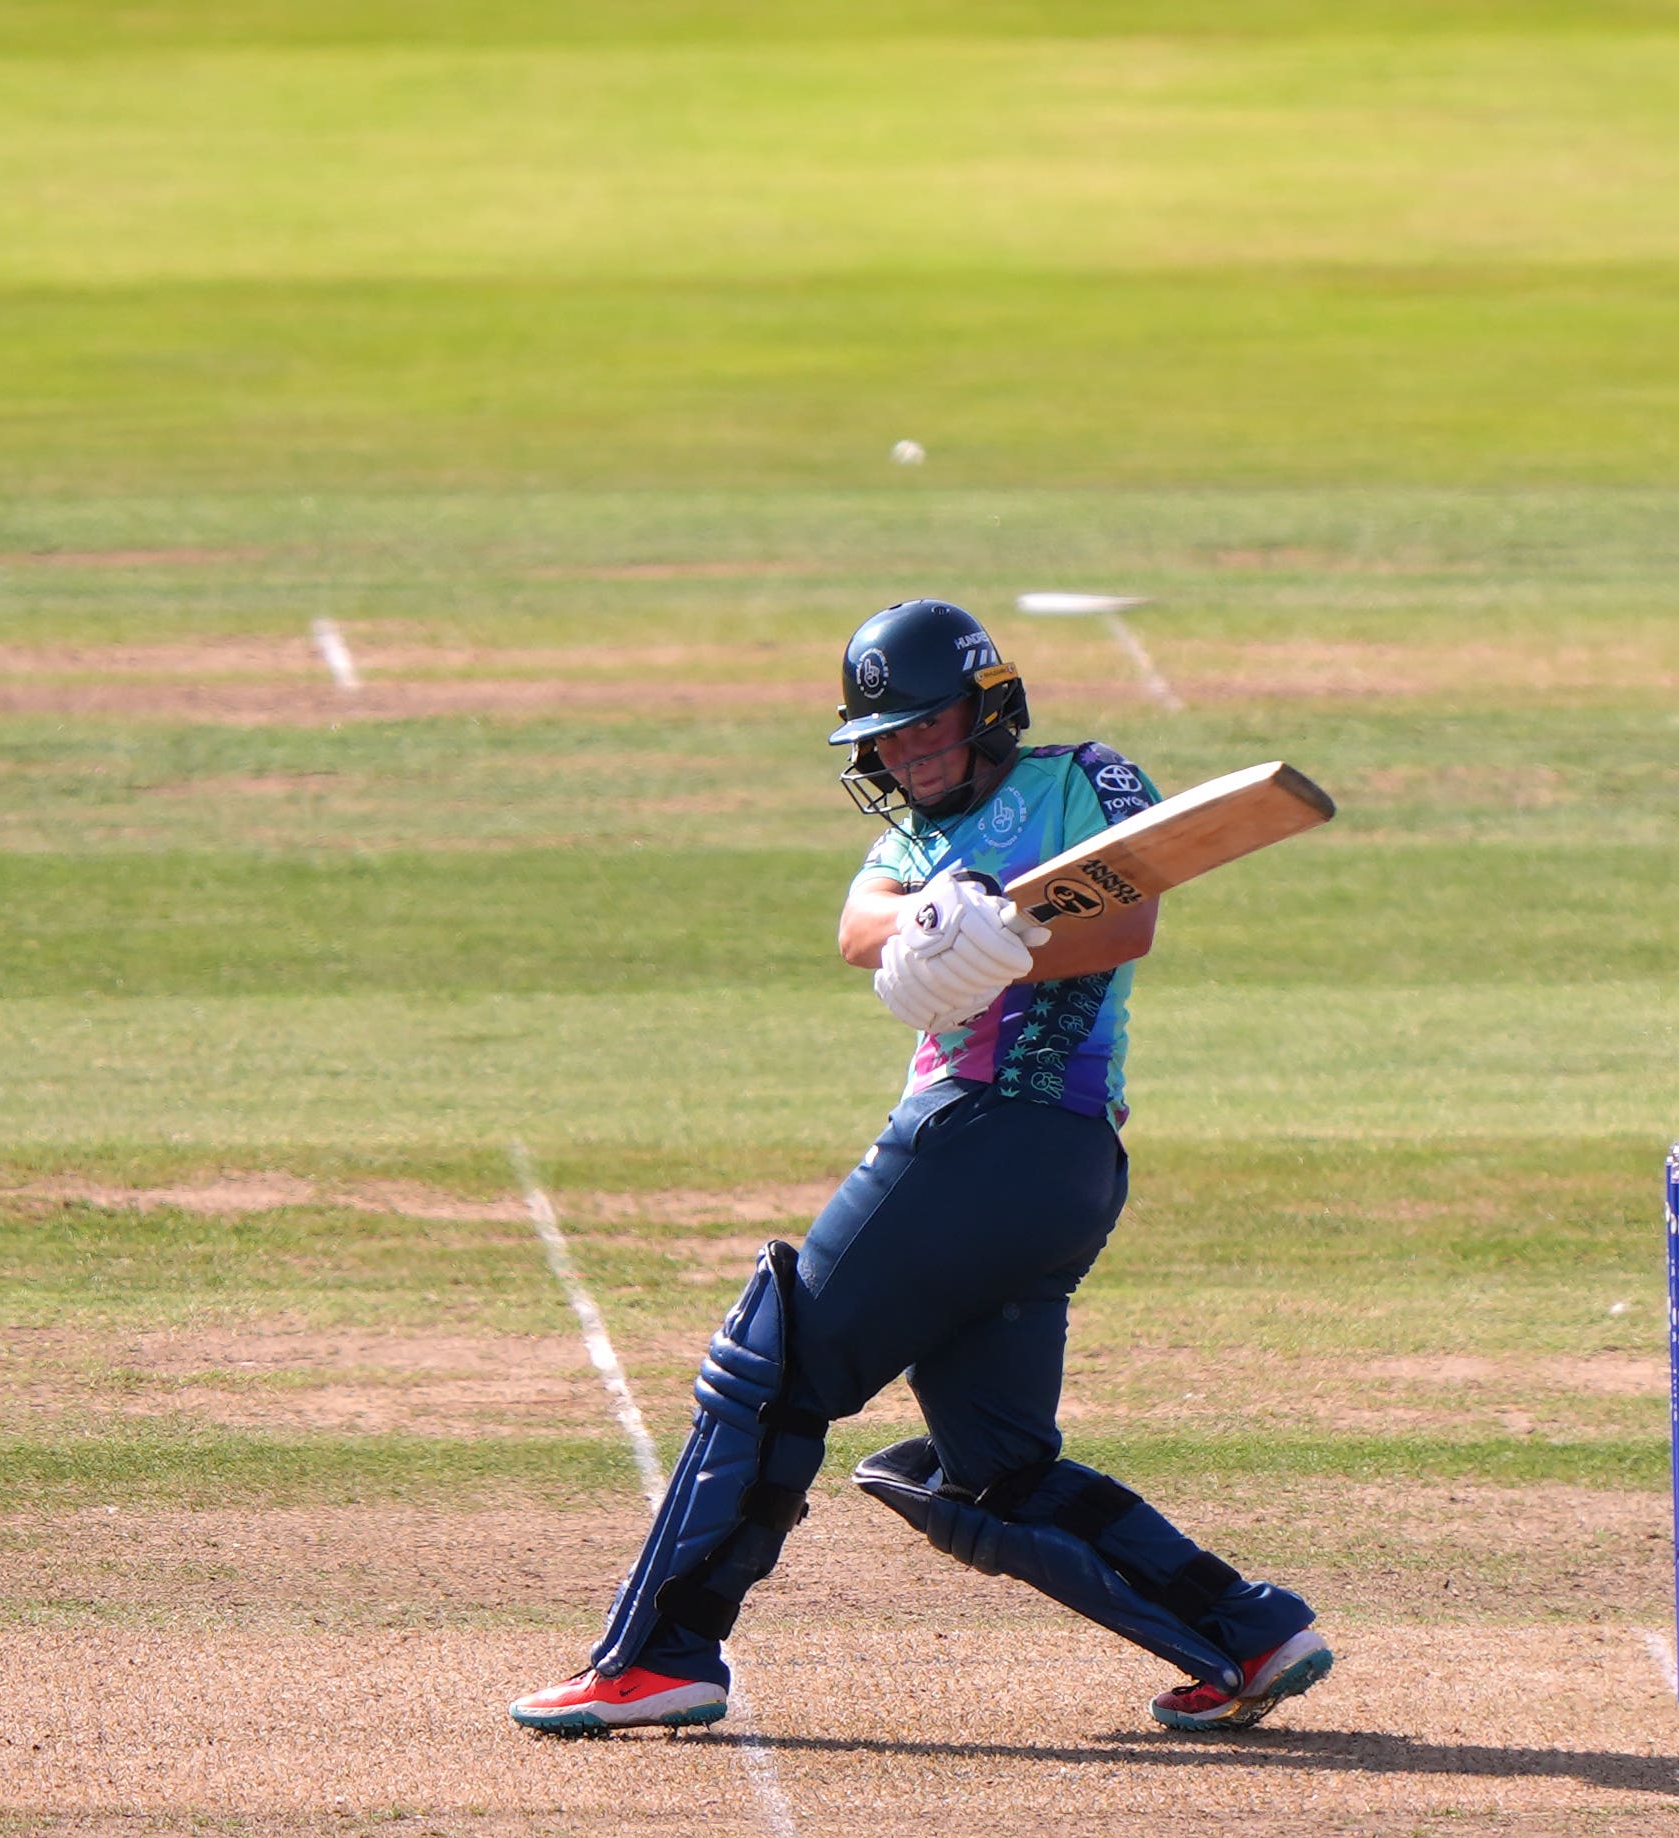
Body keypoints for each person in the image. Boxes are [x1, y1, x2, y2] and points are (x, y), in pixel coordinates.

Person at [512, 599, 1331, 1737]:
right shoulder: (907, 842)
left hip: (993, 1135)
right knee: (988, 1471)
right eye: (886, 739)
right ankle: (1245, 1631)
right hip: (1048, 1180)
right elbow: (856, 925)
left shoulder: (1080, 779)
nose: (908, 752)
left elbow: (1130, 920)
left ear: (989, 705)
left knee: (772, 1366)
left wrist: (1006, 937)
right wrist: (927, 915)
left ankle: (660, 1656)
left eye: (927, 724)